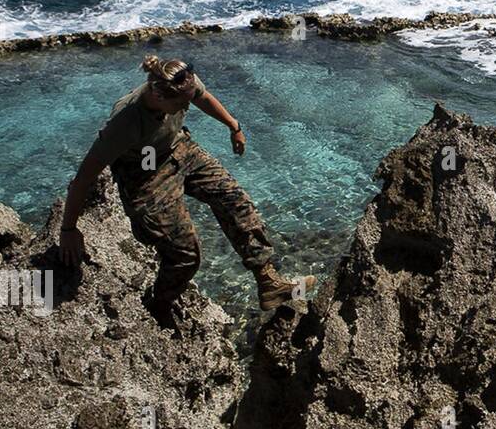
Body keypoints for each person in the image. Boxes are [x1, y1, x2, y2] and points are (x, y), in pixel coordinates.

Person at [58, 55, 314, 326]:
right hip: (144, 177)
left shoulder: (181, 81)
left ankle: (267, 281)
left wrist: (233, 125)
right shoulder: (126, 122)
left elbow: (202, 97)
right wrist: (68, 229)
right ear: (158, 96)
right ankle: (159, 303)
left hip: (179, 150)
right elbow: (83, 178)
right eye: (180, 104)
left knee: (235, 200)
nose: (186, 106)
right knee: (185, 253)